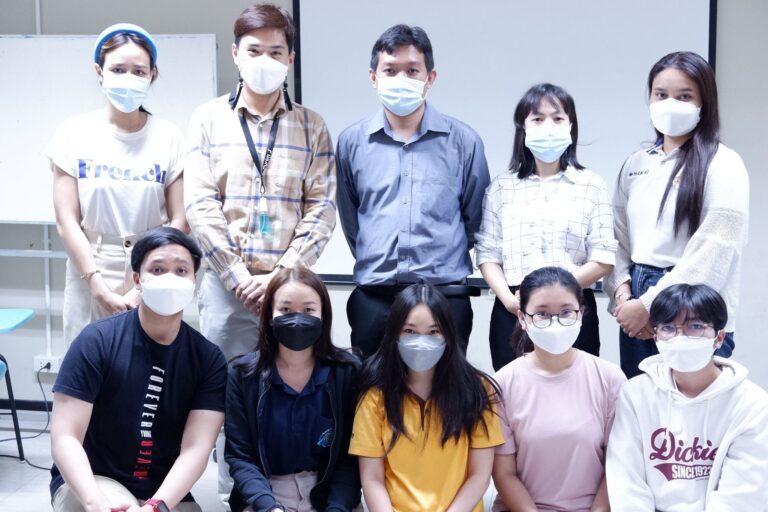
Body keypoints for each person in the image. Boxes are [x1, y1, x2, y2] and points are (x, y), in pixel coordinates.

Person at [185, 3, 336, 361]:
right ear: (236, 53)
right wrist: (237, 276)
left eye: (275, 52)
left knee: (291, 381)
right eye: (254, 51)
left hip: (291, 289)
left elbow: (322, 209)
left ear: (290, 59)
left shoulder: (312, 126)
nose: (264, 61)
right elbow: (200, 205)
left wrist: (282, 275)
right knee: (223, 383)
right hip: (226, 289)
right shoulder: (207, 119)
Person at [336, 24, 490, 357]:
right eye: (390, 70)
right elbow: (352, 219)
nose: (401, 79)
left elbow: (476, 219)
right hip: (374, 297)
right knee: (371, 387)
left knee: (447, 388)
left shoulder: (463, 142)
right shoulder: (351, 142)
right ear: (373, 77)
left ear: (430, 77)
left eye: (412, 70)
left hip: (445, 297)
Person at [50, 227, 227, 512]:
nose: (169, 278)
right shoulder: (96, 341)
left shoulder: (208, 359)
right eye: (157, 269)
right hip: (94, 482)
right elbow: (65, 436)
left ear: (194, 280)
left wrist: (156, 505)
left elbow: (197, 448)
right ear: (137, 280)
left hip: (162, 489)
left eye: (181, 270)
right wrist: (95, 502)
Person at [603, 51, 749, 378]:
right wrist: (625, 296)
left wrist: (649, 306)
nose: (670, 104)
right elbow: (617, 237)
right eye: (661, 95)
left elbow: (715, 250)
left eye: (684, 96)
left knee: (693, 403)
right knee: (643, 399)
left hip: (697, 301)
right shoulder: (636, 163)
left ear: (704, 102)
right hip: (636, 293)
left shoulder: (724, 163)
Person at [49, 23, 187, 346]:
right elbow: (66, 221)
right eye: (118, 69)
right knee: (88, 363)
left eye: (138, 71)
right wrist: (96, 285)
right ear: (100, 72)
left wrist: (145, 283)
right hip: (90, 266)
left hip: (154, 267)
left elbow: (181, 219)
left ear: (152, 74)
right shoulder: (72, 133)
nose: (128, 78)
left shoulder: (169, 137)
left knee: (151, 364)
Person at [476, 83, 616, 371]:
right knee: (512, 391)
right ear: (523, 128)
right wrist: (510, 301)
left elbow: (603, 257)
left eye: (558, 118)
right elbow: (488, 255)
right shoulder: (501, 187)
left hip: (572, 308)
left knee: (577, 389)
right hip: (513, 309)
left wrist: (555, 292)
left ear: (571, 126)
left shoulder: (591, 185)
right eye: (537, 119)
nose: (548, 126)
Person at [606, 284, 768, 510]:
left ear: (719, 338)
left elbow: (741, 497)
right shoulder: (635, 394)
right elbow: (626, 482)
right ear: (656, 337)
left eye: (695, 326)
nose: (680, 337)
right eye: (668, 328)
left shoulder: (753, 404)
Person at [350, 284, 503, 512]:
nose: (422, 341)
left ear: (448, 335)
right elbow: (372, 479)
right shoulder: (374, 395)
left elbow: (480, 475)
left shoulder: (478, 390)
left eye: (433, 332)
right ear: (394, 334)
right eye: (410, 331)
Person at [225, 267, 362, 512]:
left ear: (323, 316)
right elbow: (240, 456)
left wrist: (337, 508)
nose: (297, 319)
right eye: (286, 310)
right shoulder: (242, 375)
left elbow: (349, 459)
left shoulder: (347, 371)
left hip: (328, 494)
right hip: (266, 494)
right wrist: (268, 507)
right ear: (269, 315)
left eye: (309, 310)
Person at [491, 266, 625, 512]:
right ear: (522, 318)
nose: (555, 322)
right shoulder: (501, 384)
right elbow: (503, 473)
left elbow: (618, 464)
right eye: (542, 314)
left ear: (581, 314)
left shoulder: (609, 378)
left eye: (566, 312)